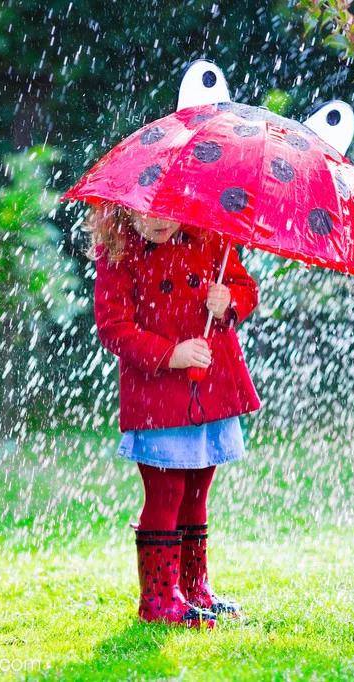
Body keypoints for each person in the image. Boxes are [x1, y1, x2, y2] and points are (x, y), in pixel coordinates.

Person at [85, 203, 260, 628]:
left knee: (198, 489)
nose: (159, 221)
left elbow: (245, 288)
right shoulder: (119, 254)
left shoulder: (213, 238)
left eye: (169, 211)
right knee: (166, 493)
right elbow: (113, 326)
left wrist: (230, 301)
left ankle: (194, 588)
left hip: (211, 386)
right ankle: (159, 600)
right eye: (147, 212)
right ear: (124, 210)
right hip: (159, 393)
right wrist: (170, 354)